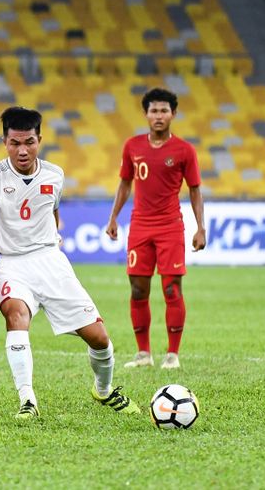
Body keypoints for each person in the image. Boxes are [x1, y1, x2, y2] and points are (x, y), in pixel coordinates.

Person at [0, 107, 140, 420]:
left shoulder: (55, 175)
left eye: (28, 141)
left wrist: (55, 232)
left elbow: (51, 206)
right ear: (5, 142)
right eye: (15, 143)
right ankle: (27, 400)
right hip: (12, 264)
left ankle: (104, 388)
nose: (22, 150)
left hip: (51, 261)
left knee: (98, 337)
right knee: (16, 316)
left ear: (40, 139)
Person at [106, 88, 206, 370]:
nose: (158, 116)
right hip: (139, 226)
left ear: (173, 114)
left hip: (170, 227)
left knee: (172, 288)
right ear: (146, 114)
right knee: (138, 289)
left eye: (164, 111)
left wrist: (201, 228)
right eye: (154, 111)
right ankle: (143, 354)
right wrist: (113, 217)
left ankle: (172, 354)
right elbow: (125, 183)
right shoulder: (132, 146)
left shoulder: (185, 150)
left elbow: (195, 190)